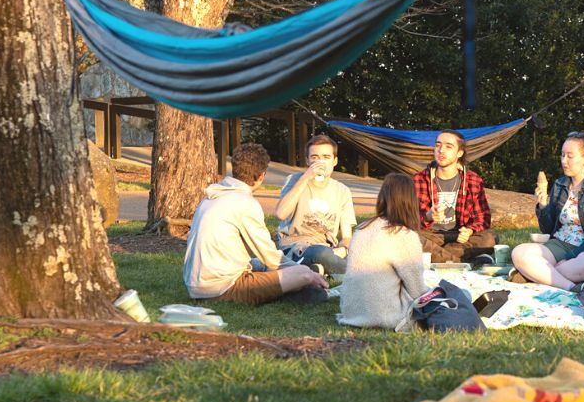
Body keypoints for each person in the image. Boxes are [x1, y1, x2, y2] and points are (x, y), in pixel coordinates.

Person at [184, 143, 329, 305]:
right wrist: (307, 273)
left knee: (259, 264)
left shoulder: (211, 197)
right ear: (261, 175)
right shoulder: (244, 202)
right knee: (303, 274)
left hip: (196, 286)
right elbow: (272, 259)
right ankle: (300, 285)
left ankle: (294, 284)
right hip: (222, 289)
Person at [511, 132, 584, 289]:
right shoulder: (560, 185)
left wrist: (571, 257)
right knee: (519, 253)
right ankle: (572, 287)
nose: (564, 161)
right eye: (562, 155)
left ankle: (538, 274)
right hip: (561, 244)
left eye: (570, 156)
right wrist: (543, 205)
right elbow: (548, 229)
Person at [338, 173, 431, 330]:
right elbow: (418, 292)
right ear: (411, 201)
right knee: (457, 295)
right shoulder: (403, 235)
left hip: (351, 313)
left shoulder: (362, 229)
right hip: (386, 316)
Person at [275, 134, 357, 275]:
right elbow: (281, 213)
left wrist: (343, 249)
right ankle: (346, 273)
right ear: (307, 160)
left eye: (326, 157)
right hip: (295, 248)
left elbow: (347, 237)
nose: (320, 162)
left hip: (330, 250)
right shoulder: (294, 180)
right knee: (321, 253)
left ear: (335, 161)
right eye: (315, 157)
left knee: (355, 251)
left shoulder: (342, 191)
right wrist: (306, 177)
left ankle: (320, 269)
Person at [413, 130, 497, 263]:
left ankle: (435, 257)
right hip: (430, 234)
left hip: (459, 234)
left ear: (459, 153)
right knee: (409, 237)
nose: (441, 150)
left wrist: (469, 230)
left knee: (490, 238)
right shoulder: (419, 179)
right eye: (438, 145)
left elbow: (483, 218)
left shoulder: (473, 180)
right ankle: (460, 261)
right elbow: (407, 219)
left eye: (448, 146)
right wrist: (428, 216)